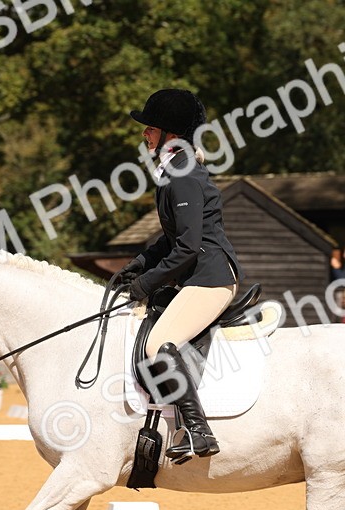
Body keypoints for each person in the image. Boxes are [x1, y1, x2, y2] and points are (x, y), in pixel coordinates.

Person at [120, 88, 241, 461]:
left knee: (159, 344)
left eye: (151, 128)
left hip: (210, 277)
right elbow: (172, 237)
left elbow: (187, 247)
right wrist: (138, 263)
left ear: (170, 133)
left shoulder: (182, 173)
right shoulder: (175, 169)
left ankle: (197, 431)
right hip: (199, 274)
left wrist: (144, 284)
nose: (145, 134)